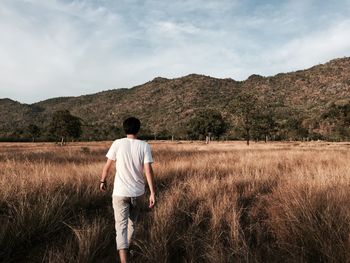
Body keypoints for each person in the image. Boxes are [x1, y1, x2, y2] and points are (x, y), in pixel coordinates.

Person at [100, 117, 156, 263]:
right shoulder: (144, 146)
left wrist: (102, 180)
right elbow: (148, 171)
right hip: (137, 193)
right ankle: (127, 252)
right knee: (132, 224)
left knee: (121, 227)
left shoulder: (117, 143)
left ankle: (123, 257)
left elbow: (107, 166)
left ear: (124, 129)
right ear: (138, 129)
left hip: (119, 193)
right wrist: (152, 193)